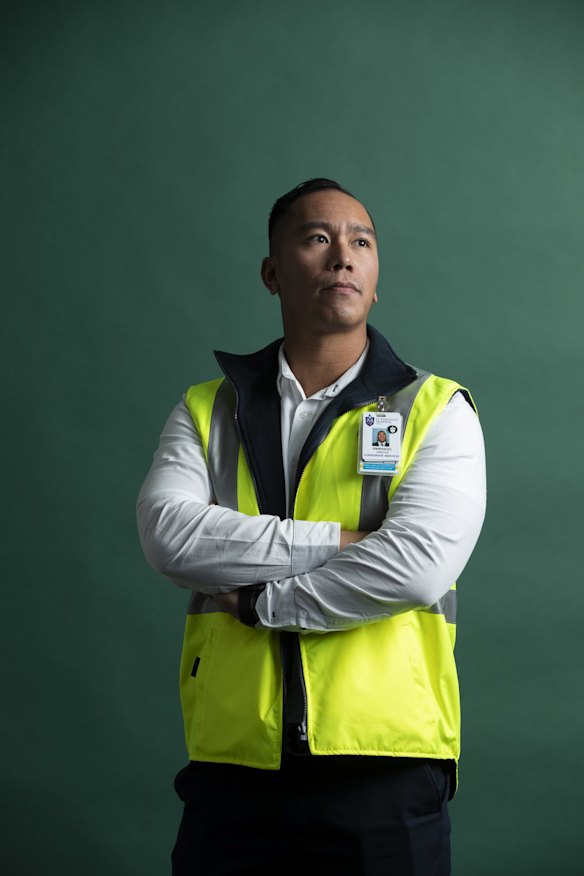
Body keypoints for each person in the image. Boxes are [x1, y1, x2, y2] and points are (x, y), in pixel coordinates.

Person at [136, 178, 486, 875]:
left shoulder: (436, 410)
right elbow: (168, 535)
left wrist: (267, 605)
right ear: (272, 273)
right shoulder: (208, 410)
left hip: (385, 772)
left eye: (362, 241)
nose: (343, 257)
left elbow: (415, 566)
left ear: (377, 277)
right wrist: (333, 541)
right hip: (232, 771)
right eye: (316, 238)